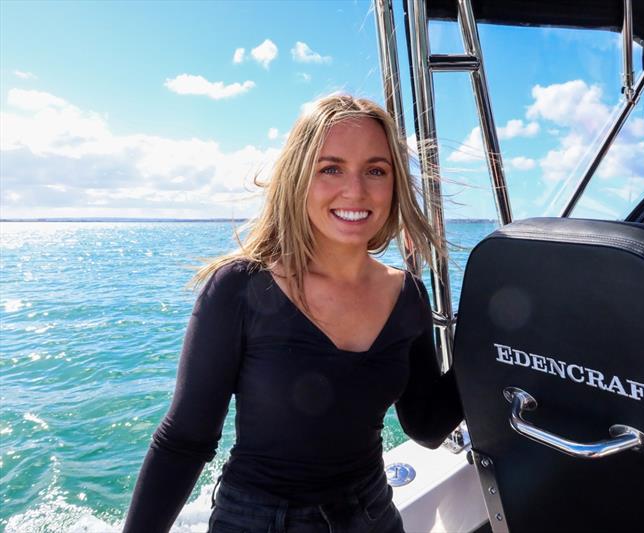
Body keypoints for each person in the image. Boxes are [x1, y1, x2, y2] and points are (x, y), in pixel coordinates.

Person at [122, 95, 463, 533]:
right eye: (331, 168)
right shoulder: (240, 288)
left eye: (376, 170)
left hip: (373, 515)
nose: (355, 191)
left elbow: (428, 426)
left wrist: (490, 338)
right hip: (257, 521)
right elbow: (185, 440)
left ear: (395, 184)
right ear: (298, 177)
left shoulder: (406, 294)